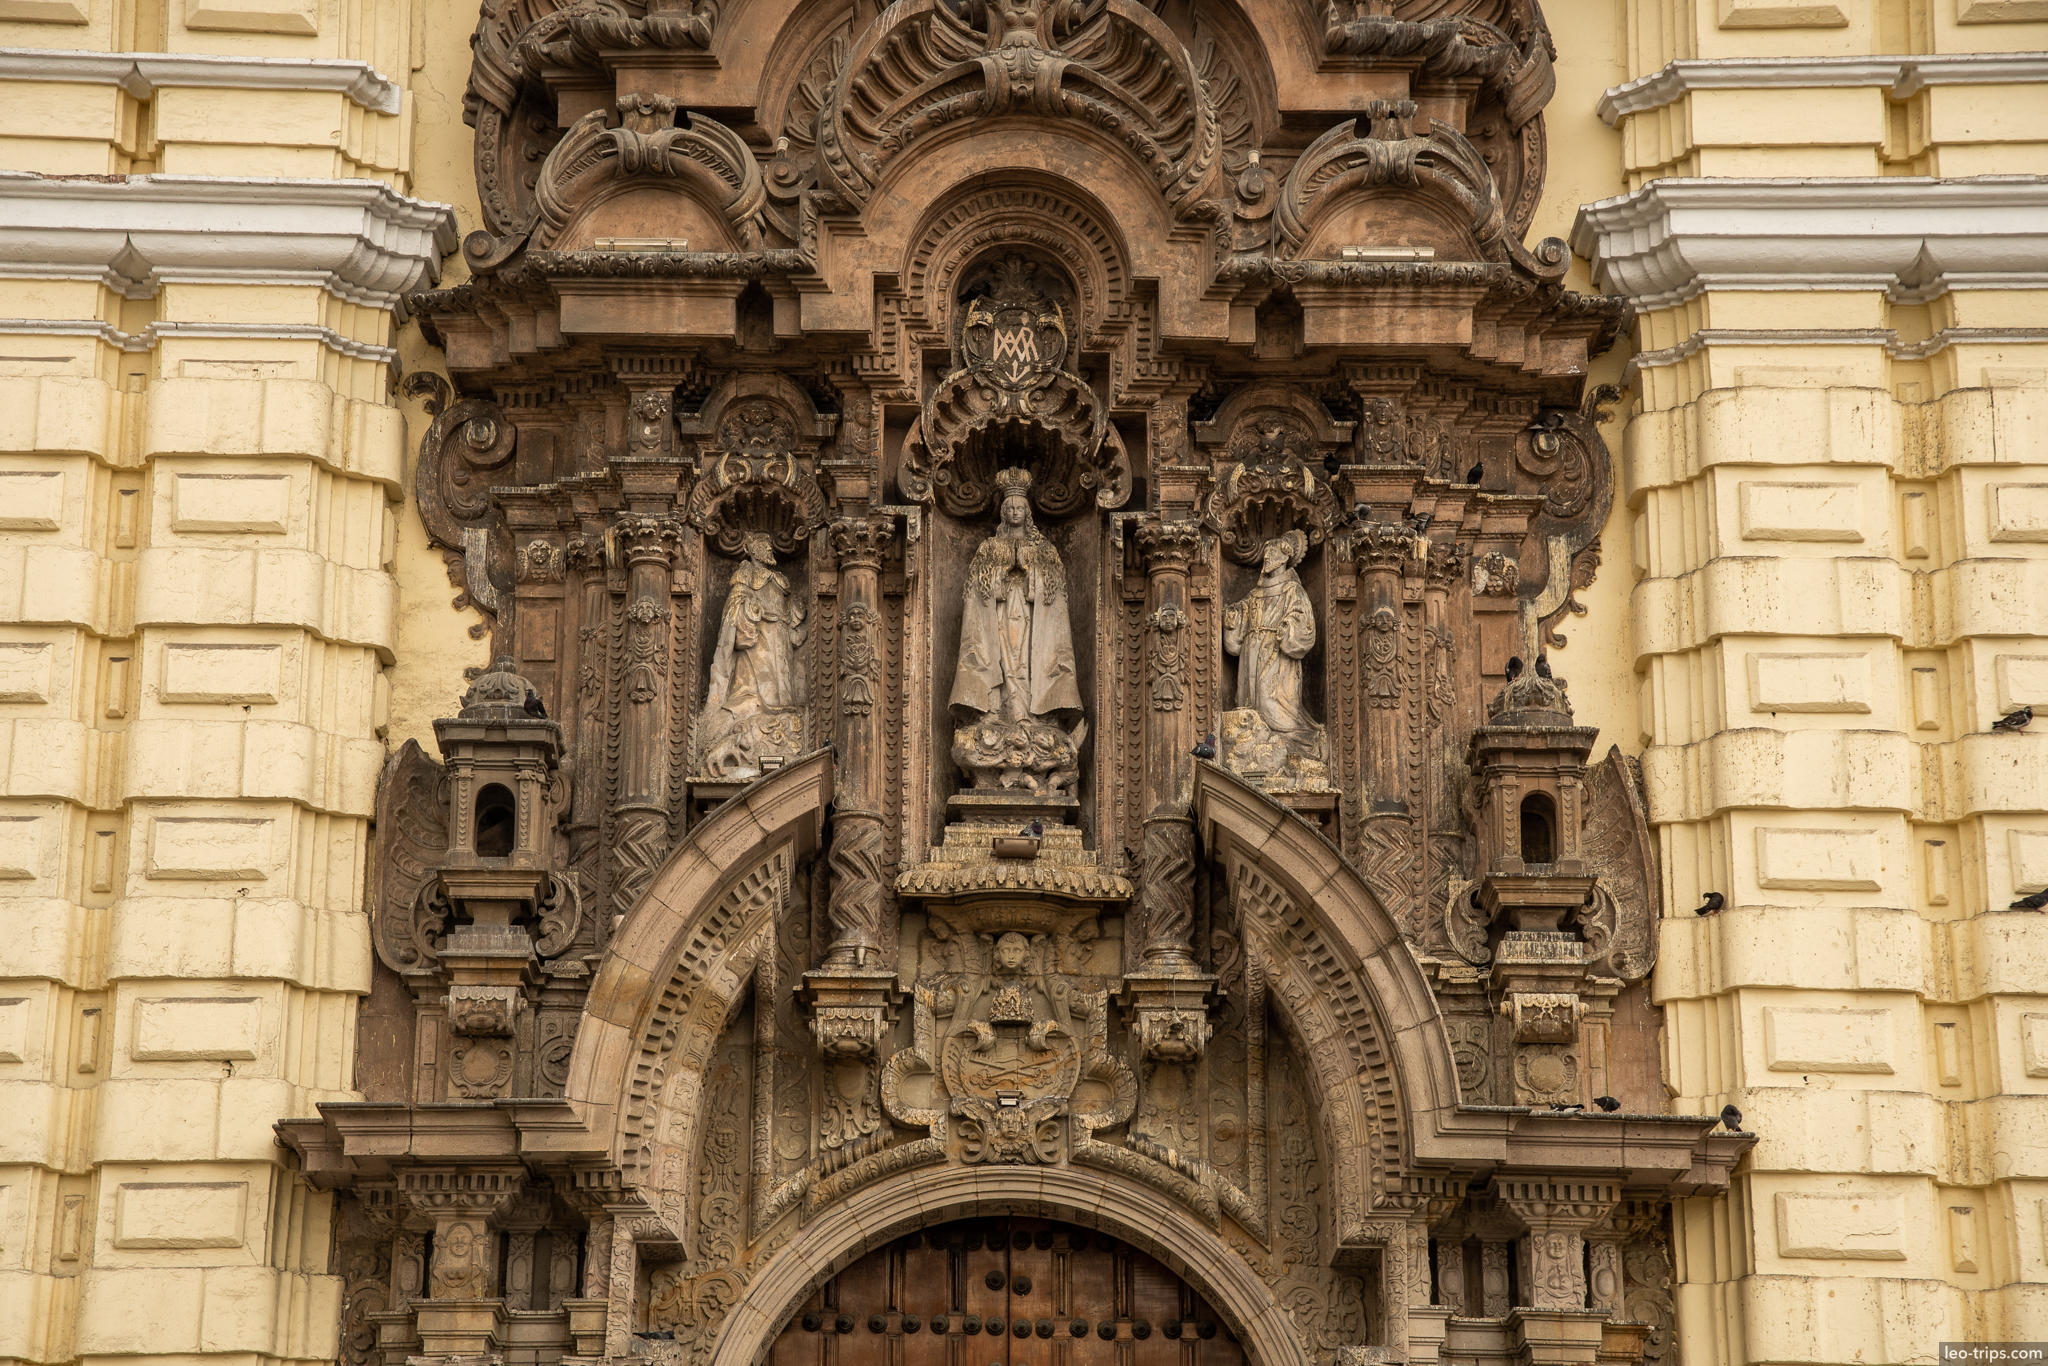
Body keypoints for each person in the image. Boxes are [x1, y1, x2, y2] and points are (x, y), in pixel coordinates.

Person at [693, 532, 808, 777]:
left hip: (778, 635)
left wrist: (792, 612)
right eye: (762, 546)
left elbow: (786, 607)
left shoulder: (780, 579)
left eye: (769, 545)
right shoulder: (745, 574)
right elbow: (735, 602)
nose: (767, 550)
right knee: (753, 680)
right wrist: (748, 607)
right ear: (753, 549)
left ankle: (778, 707)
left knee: (780, 679)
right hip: (757, 635)